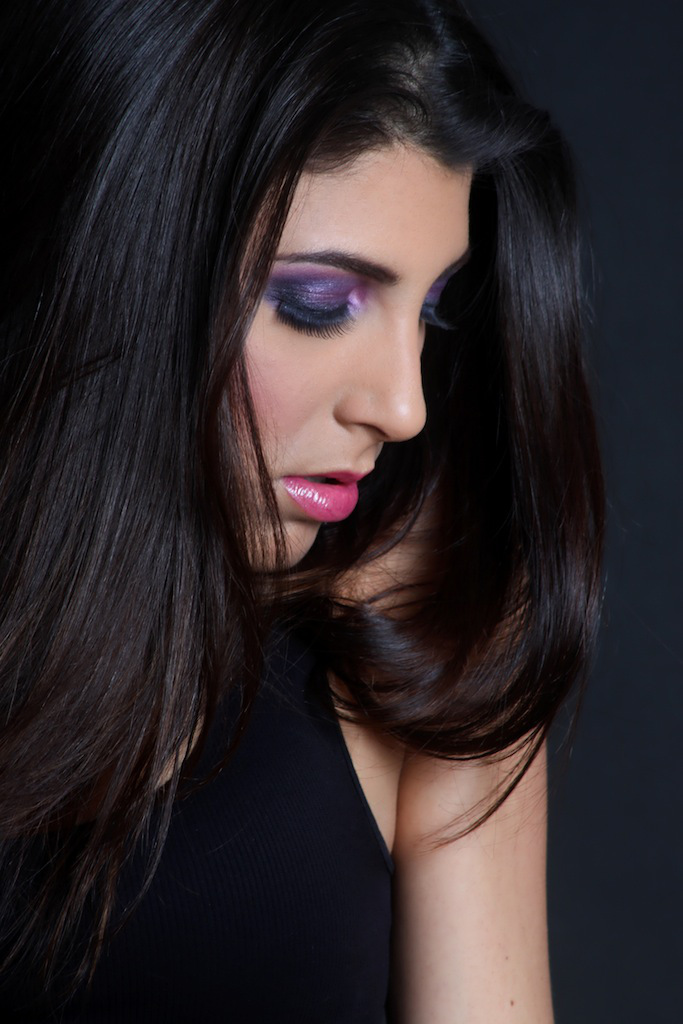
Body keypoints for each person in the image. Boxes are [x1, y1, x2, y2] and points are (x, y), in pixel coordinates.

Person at [0, 0, 604, 1020]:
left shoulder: (414, 631)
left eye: (432, 310)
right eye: (320, 303)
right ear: (118, 259)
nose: (403, 408)